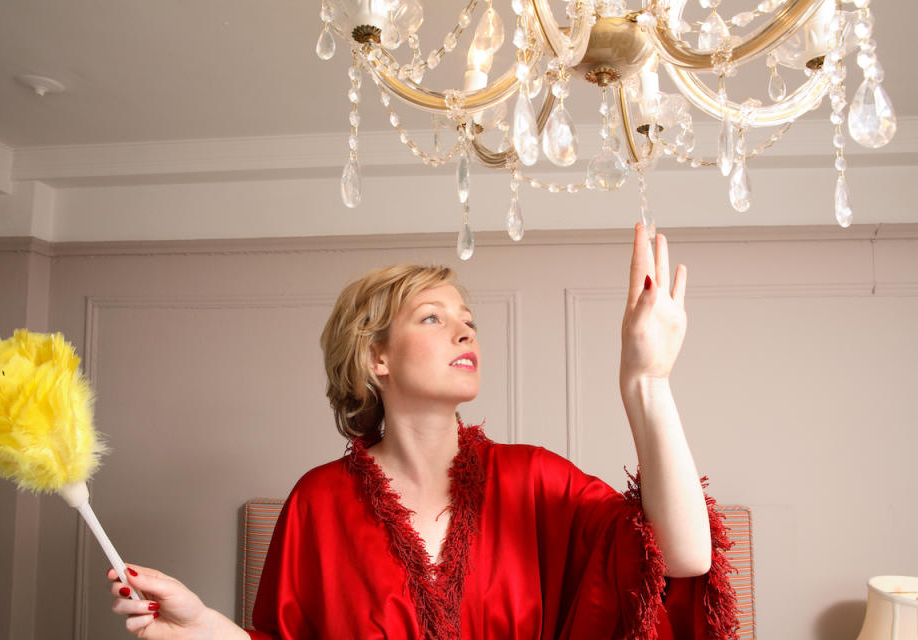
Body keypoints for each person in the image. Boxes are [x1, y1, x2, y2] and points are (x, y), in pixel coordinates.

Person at [107, 223, 738, 639]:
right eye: (433, 318)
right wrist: (203, 624)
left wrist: (646, 383)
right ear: (375, 357)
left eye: (468, 320)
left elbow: (682, 556)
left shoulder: (537, 480)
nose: (465, 332)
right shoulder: (317, 502)